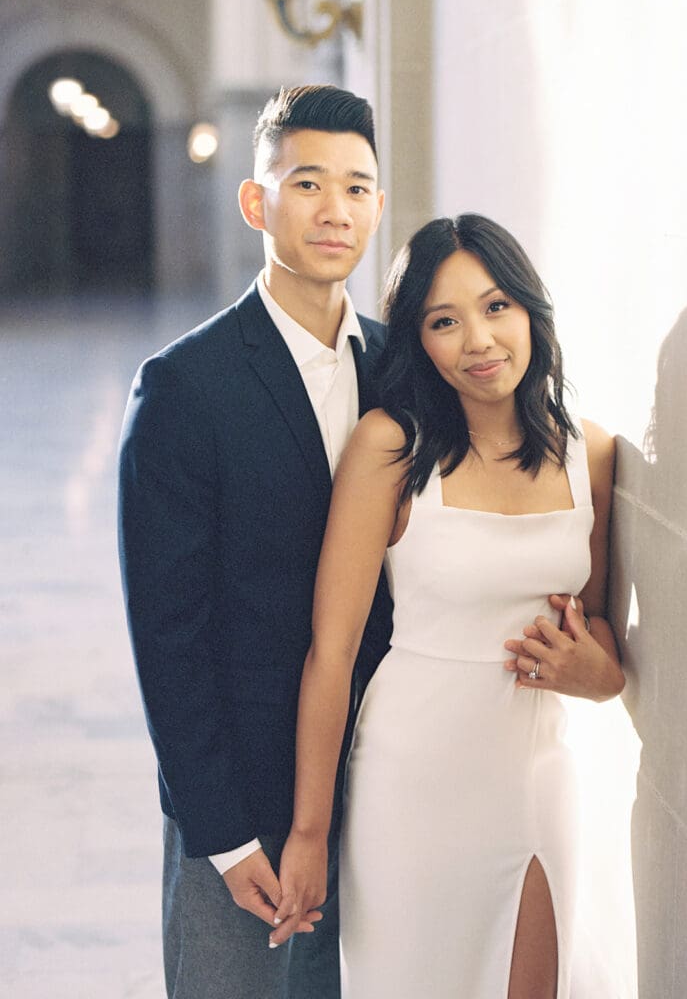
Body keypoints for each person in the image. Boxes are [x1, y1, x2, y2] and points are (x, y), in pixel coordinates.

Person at [270, 214, 626, 998]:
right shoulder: (389, 447)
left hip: (535, 777)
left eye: (496, 306)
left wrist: (597, 671)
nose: (478, 340)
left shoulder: (588, 454)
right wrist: (308, 831)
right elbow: (331, 652)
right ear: (418, 340)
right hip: (411, 781)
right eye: (444, 320)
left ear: (531, 310)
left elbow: (598, 640)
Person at [117, 84, 392, 999]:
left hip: (383, 786)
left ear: (378, 208)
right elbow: (169, 635)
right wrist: (225, 834)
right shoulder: (184, 387)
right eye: (307, 183)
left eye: (357, 188)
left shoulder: (400, 369)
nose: (334, 209)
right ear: (256, 200)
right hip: (244, 804)